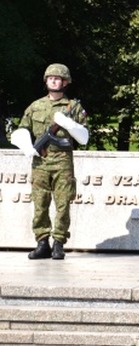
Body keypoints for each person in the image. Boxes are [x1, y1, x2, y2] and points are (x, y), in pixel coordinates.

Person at [17, 63, 89, 260]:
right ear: (46, 81)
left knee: (63, 203)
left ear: (65, 82)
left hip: (63, 161)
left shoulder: (73, 107)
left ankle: (58, 243)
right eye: (50, 78)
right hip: (40, 161)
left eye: (58, 78)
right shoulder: (35, 106)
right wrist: (26, 145)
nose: (54, 81)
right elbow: (22, 128)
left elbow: (84, 137)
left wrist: (69, 124)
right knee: (40, 203)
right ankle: (42, 242)